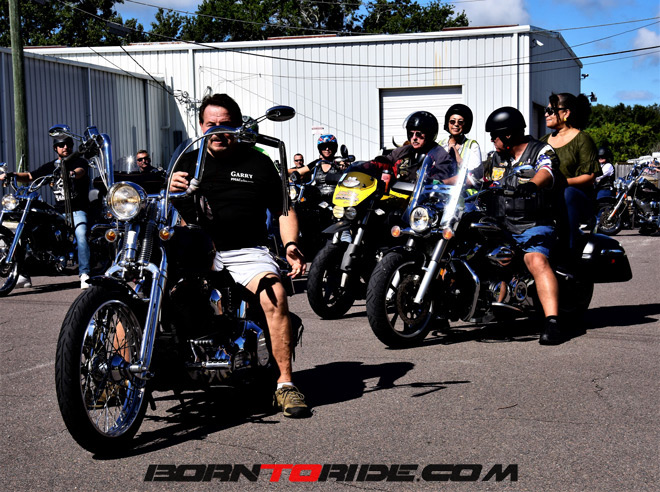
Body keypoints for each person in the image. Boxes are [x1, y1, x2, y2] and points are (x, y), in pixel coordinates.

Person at [169, 93, 310, 418]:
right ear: (201, 126)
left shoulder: (258, 162)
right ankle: (121, 379)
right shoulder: (187, 162)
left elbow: (284, 209)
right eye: (210, 125)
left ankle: (285, 384)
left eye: (225, 125)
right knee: (139, 288)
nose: (217, 131)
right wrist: (171, 188)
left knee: (274, 293)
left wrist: (290, 245)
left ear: (237, 125)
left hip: (246, 251)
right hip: (196, 249)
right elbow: (166, 207)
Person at [485, 106, 568, 345]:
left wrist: (532, 184)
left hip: (533, 223)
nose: (492, 140)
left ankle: (552, 321)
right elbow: (473, 177)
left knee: (535, 260)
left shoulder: (540, 150)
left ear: (508, 135)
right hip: (501, 224)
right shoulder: (495, 158)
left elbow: (547, 170)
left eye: (495, 135)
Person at [1, 134, 91, 290]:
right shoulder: (50, 166)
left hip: (77, 210)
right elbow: (30, 176)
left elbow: (80, 171)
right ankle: (24, 274)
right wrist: (12, 175)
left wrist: (71, 174)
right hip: (58, 210)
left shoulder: (78, 161)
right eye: (61, 145)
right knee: (29, 232)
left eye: (68, 145)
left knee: (81, 235)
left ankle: (84, 274)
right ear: (55, 148)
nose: (65, 147)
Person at [540, 93, 601, 250]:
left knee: (568, 193)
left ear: (566, 113)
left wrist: (561, 183)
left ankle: (569, 251)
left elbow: (589, 177)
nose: (546, 114)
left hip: (576, 199)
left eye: (551, 110)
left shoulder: (582, 139)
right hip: (549, 198)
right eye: (546, 110)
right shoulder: (542, 142)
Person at [372, 111, 453, 184]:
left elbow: (440, 178)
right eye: (411, 134)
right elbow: (386, 161)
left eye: (418, 134)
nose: (414, 138)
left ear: (429, 134)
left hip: (423, 195)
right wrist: (369, 165)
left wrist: (428, 181)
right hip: (397, 194)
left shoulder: (440, 155)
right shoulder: (403, 151)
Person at [438, 104, 483, 187]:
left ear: (465, 125)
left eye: (460, 122)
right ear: (448, 123)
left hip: (463, 191)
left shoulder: (472, 145)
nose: (456, 124)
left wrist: (456, 153)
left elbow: (474, 176)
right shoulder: (440, 145)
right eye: (452, 121)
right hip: (440, 190)